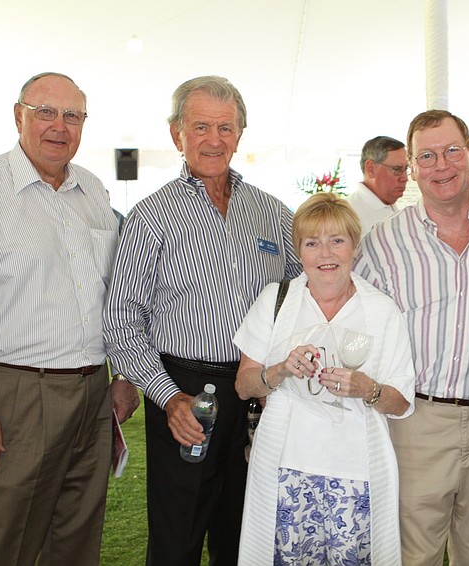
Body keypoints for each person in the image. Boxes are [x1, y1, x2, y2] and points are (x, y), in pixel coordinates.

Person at [0, 72, 139, 566]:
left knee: (76, 541)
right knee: (6, 544)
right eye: (46, 112)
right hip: (16, 394)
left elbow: (116, 295)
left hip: (92, 393)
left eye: (72, 115)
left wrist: (123, 375)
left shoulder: (93, 189)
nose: (59, 126)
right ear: (17, 115)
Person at [103, 75, 302, 565]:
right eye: (201, 127)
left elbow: (308, 293)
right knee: (177, 540)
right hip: (185, 391)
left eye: (226, 127)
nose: (214, 139)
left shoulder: (274, 214)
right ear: (177, 135)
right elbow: (121, 320)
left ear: (240, 134)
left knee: (245, 537)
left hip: (257, 394)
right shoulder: (152, 216)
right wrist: (168, 398)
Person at [354, 110, 469, 565]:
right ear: (412, 168)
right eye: (427, 156)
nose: (442, 165)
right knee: (411, 555)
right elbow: (350, 321)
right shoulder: (383, 241)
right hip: (416, 420)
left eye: (452, 150)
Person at [232, 192, 415, 564]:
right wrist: (280, 370)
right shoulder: (276, 301)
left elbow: (401, 403)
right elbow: (243, 384)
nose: (325, 254)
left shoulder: (382, 311)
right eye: (312, 243)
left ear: (354, 246)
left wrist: (368, 388)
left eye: (337, 240)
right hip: (286, 467)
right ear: (299, 251)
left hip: (356, 471)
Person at [344, 135, 408, 237]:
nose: (405, 178)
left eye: (406, 169)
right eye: (396, 169)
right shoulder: (347, 216)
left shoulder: (389, 205)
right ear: (371, 169)